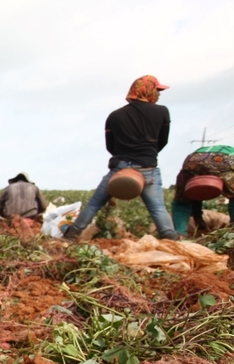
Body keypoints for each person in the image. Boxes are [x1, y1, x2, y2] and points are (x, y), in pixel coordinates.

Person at [65, 76, 178, 241]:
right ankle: (171, 239)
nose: (159, 94)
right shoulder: (162, 112)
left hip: (120, 169)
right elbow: (162, 141)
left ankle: (70, 237)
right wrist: (147, 155)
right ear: (147, 90)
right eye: (157, 90)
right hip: (148, 169)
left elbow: (110, 147)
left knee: (94, 204)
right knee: (158, 208)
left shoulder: (115, 116)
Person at [170, 145, 234, 236]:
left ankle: (180, 234)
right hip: (223, 161)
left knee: (183, 200)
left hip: (192, 160)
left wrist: (198, 219)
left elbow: (196, 194)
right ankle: (233, 231)